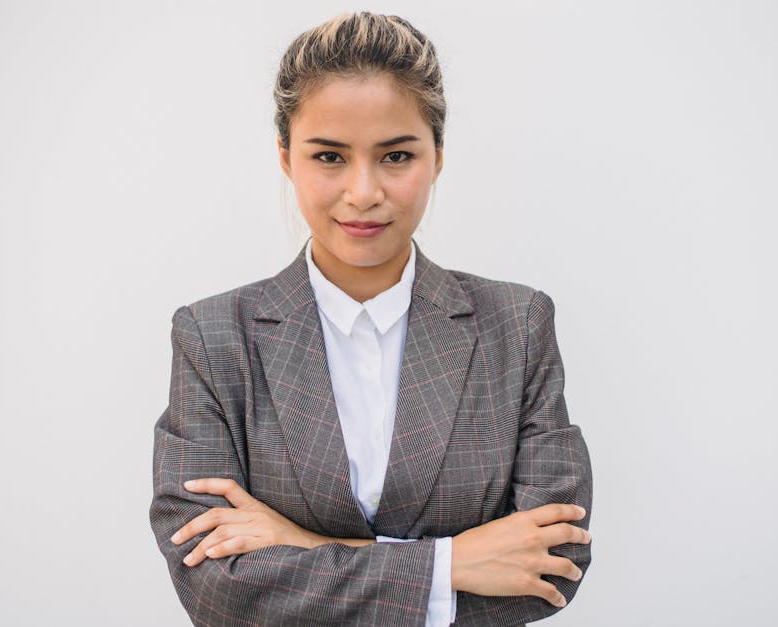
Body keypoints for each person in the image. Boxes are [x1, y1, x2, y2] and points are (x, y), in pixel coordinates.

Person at [149, 11, 593, 627]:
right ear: (286, 157)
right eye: (329, 156)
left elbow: (551, 567)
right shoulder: (213, 336)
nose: (363, 191)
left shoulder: (515, 326)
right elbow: (217, 592)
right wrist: (451, 564)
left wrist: (298, 546)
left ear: (437, 156)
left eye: (396, 156)